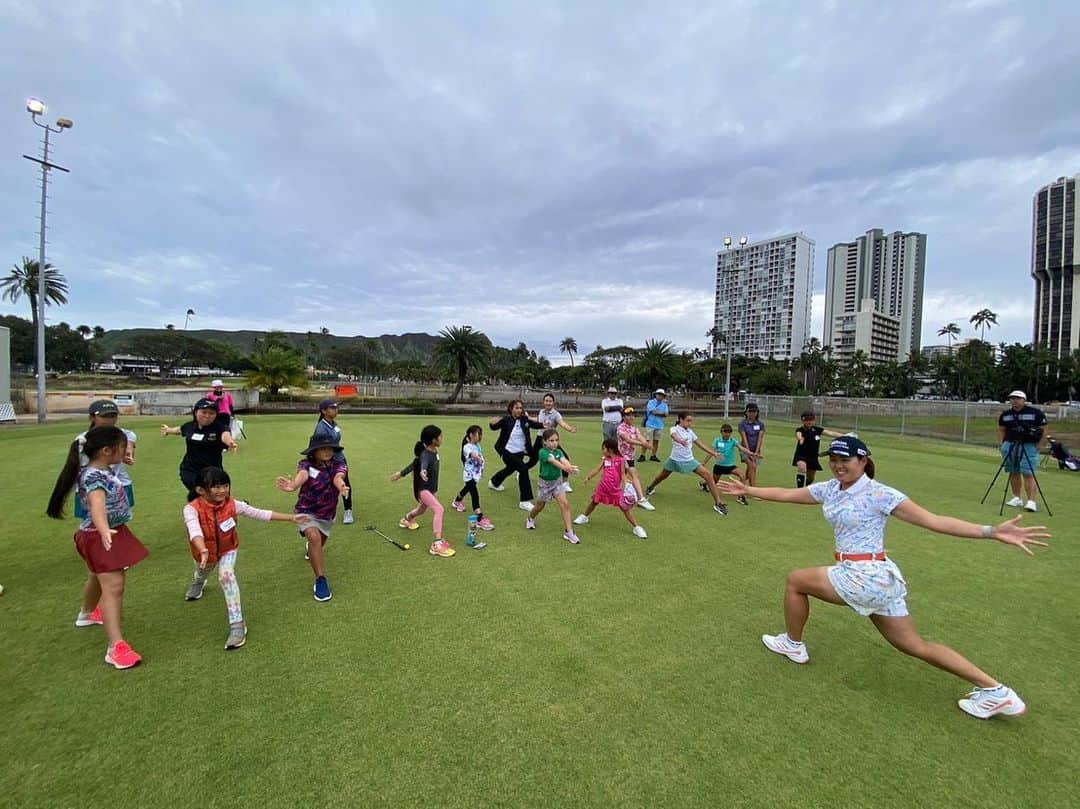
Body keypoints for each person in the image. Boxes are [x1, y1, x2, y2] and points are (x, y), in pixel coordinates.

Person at [717, 435, 1049, 719]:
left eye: (845, 459)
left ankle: (792, 644)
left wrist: (991, 531)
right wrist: (750, 488)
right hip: (879, 579)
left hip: (865, 576)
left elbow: (934, 521)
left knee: (795, 580)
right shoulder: (832, 489)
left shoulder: (880, 494)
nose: (837, 465)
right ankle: (996, 690)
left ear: (863, 461)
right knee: (914, 645)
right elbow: (790, 494)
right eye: (833, 459)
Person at [47, 426, 148, 670]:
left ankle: (87, 613)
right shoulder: (94, 476)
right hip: (100, 534)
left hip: (109, 532)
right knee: (114, 587)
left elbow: (118, 449)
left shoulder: (102, 468)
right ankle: (116, 647)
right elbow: (96, 505)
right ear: (106, 451)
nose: (125, 452)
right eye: (121, 449)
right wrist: (103, 530)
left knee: (96, 575)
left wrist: (124, 452)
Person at [182, 467, 301, 649]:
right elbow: (194, 530)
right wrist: (202, 548)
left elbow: (260, 513)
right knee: (202, 571)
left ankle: (237, 625)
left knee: (226, 576)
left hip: (229, 549)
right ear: (200, 490)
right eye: (216, 487)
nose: (222, 490)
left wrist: (291, 518)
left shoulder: (233, 504)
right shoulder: (191, 509)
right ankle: (198, 583)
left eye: (225, 485)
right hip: (204, 553)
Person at [276, 435, 350, 602]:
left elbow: (338, 478)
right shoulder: (306, 464)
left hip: (327, 514)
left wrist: (341, 486)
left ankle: (311, 546)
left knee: (318, 543)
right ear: (314, 451)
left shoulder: (339, 464)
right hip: (306, 510)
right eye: (323, 448)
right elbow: (302, 475)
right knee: (314, 537)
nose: (327, 451)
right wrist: (293, 485)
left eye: (330, 448)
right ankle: (320, 580)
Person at [644, 412, 728, 514]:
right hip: (674, 460)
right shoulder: (674, 429)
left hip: (690, 461)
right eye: (688, 420)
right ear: (680, 419)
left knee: (708, 476)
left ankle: (718, 503)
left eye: (691, 421)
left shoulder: (690, 432)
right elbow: (674, 436)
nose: (690, 423)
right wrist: (680, 441)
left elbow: (701, 445)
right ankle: (650, 487)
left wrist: (714, 453)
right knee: (661, 476)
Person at [391, 424, 454, 557]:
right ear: (433, 440)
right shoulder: (426, 454)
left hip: (430, 490)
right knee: (439, 509)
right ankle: (437, 544)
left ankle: (407, 519)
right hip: (424, 490)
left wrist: (401, 473)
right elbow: (422, 463)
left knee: (421, 510)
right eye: (440, 436)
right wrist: (423, 471)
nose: (442, 438)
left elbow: (415, 463)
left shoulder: (433, 452)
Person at [161, 398, 238, 502]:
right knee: (201, 496)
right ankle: (199, 514)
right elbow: (179, 430)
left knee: (220, 499)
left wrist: (230, 442)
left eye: (211, 413)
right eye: (204, 412)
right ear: (196, 412)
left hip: (212, 471)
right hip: (190, 470)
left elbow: (225, 435)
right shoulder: (189, 426)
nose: (207, 416)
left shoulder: (220, 427)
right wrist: (168, 430)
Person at [74, 400, 137, 520]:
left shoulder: (124, 434)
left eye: (113, 416)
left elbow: (129, 440)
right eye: (104, 416)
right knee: (93, 520)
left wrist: (128, 452)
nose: (109, 420)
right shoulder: (83, 440)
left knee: (119, 520)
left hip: (119, 484)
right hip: (92, 486)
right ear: (92, 417)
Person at [574, 439, 648, 538]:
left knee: (624, 508)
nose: (602, 450)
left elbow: (622, 474)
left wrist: (626, 482)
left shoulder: (621, 460)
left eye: (604, 448)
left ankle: (637, 527)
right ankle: (584, 517)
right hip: (602, 487)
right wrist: (588, 477)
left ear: (611, 449)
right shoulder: (605, 459)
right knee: (594, 502)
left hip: (615, 490)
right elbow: (597, 469)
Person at [526, 429, 581, 544]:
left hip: (557, 482)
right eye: (551, 440)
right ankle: (530, 518)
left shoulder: (559, 452)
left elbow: (563, 460)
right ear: (545, 442)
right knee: (539, 506)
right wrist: (567, 469)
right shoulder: (542, 452)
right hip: (545, 484)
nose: (554, 443)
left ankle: (569, 532)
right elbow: (553, 461)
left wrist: (569, 466)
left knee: (565, 504)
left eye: (556, 440)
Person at [488, 400, 545, 511]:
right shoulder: (506, 420)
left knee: (510, 469)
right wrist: (492, 423)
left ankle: (494, 482)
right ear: (511, 409)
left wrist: (544, 425)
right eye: (516, 408)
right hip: (506, 452)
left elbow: (535, 425)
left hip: (520, 453)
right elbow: (494, 427)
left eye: (520, 408)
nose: (519, 410)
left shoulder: (524, 420)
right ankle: (525, 501)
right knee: (523, 469)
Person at [997, 391, 1047, 512]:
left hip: (1029, 444)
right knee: (1013, 471)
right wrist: (1002, 444)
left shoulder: (1035, 413)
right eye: (1012, 398)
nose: (1015, 401)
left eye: (1018, 398)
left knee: (1028, 472)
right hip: (1010, 444)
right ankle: (1016, 498)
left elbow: (1044, 430)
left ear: (1024, 400)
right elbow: (1002, 429)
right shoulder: (1006, 414)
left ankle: (1031, 501)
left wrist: (1040, 445)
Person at [313, 399, 355, 524]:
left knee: (344, 483)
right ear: (324, 411)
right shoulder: (321, 428)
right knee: (327, 485)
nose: (335, 410)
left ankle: (348, 510)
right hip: (327, 460)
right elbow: (320, 448)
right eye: (332, 408)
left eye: (336, 407)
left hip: (339, 458)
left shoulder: (333, 423)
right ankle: (325, 510)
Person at [528, 393, 578, 490]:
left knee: (564, 457)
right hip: (540, 439)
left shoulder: (556, 414)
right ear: (543, 402)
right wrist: (529, 417)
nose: (548, 403)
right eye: (546, 401)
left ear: (553, 403)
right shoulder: (541, 411)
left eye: (550, 401)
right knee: (533, 459)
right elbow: (538, 420)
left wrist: (570, 429)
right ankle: (521, 472)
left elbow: (562, 423)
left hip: (552, 441)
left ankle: (565, 482)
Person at [452, 425, 494, 532]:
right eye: (478, 434)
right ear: (471, 435)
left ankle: (457, 500)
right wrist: (478, 458)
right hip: (469, 475)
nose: (480, 437)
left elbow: (478, 453)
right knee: (474, 493)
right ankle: (479, 517)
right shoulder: (467, 447)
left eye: (481, 434)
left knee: (467, 489)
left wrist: (481, 467)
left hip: (475, 475)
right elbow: (472, 454)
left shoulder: (477, 445)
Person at [792, 411, 845, 487]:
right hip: (801, 455)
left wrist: (845, 436)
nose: (809, 422)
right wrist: (800, 438)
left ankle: (807, 488)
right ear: (803, 421)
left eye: (811, 420)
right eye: (806, 420)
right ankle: (799, 490)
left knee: (811, 478)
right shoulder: (800, 430)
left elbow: (831, 433)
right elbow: (798, 434)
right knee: (802, 467)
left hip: (813, 457)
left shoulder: (817, 430)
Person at [616, 407, 655, 510]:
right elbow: (628, 440)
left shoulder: (634, 428)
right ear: (624, 417)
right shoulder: (620, 428)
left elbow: (640, 437)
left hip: (630, 457)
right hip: (623, 457)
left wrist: (646, 443)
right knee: (634, 475)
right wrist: (643, 445)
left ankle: (625, 494)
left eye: (633, 415)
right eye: (628, 415)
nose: (631, 417)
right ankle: (641, 499)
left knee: (621, 476)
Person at [702, 423, 750, 505]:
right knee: (713, 482)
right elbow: (711, 452)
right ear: (721, 432)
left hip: (730, 466)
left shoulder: (732, 441)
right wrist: (704, 462)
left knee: (742, 475)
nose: (727, 434)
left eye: (729, 432)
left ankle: (741, 496)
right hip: (719, 467)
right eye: (726, 432)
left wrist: (750, 453)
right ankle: (704, 484)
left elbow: (741, 448)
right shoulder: (717, 440)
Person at [738, 403, 766, 487]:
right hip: (744, 449)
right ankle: (753, 489)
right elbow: (744, 438)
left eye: (754, 411)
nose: (752, 413)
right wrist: (749, 452)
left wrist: (756, 452)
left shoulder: (760, 424)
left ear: (757, 412)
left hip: (756, 450)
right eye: (750, 411)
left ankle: (740, 483)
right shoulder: (742, 424)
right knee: (752, 466)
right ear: (746, 412)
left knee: (751, 469)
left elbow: (760, 438)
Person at [640, 388, 669, 461]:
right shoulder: (651, 402)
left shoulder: (664, 404)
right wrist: (661, 413)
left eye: (662, 395)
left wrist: (659, 412)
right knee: (646, 440)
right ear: (656, 395)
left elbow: (666, 414)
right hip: (650, 424)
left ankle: (653, 455)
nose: (660, 396)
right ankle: (642, 455)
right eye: (659, 394)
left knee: (656, 441)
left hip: (659, 425)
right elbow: (653, 412)